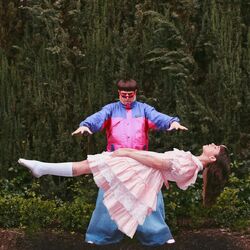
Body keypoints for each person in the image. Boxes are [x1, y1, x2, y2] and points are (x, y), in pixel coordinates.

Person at [18, 143, 230, 239]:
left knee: (88, 165)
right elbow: (167, 170)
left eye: (215, 147)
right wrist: (163, 177)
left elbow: (160, 163)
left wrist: (129, 153)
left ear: (212, 158)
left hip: (138, 167)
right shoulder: (193, 165)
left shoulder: (192, 165)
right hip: (141, 169)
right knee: (88, 165)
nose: (212, 144)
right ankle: (41, 167)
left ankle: (42, 167)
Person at [70, 79, 187, 246]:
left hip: (141, 161)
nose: (127, 98)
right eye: (123, 95)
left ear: (136, 93)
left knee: (150, 197)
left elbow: (156, 117)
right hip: (115, 160)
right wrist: (86, 125)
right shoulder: (110, 109)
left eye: (130, 95)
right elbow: (99, 117)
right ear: (118, 94)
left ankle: (157, 235)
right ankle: (100, 236)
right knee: (107, 198)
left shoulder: (144, 109)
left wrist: (171, 122)